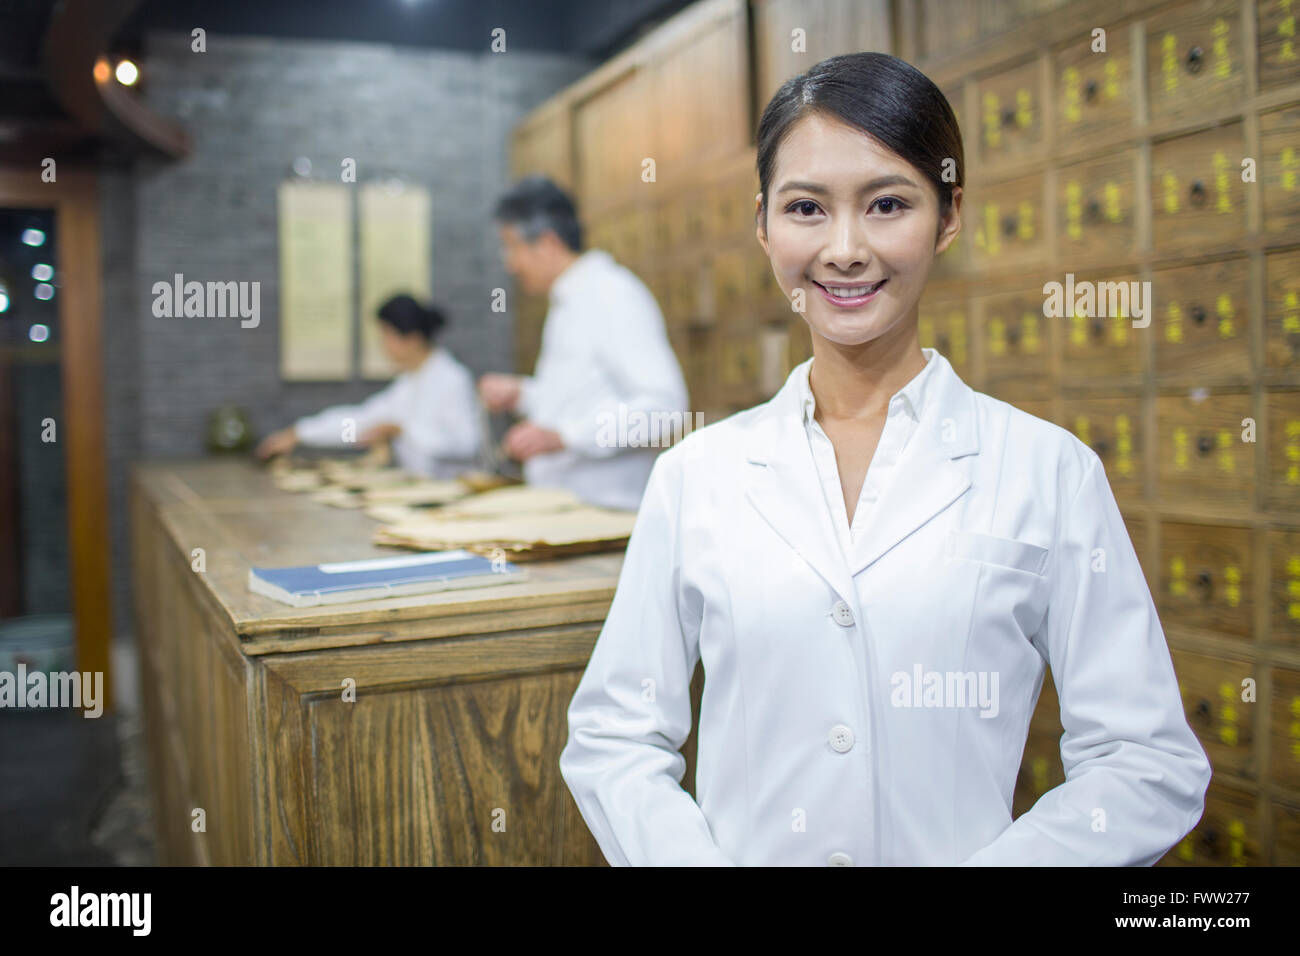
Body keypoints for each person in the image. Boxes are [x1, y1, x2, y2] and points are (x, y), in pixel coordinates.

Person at [559, 53, 1211, 866]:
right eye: (806, 208)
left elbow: (1146, 761)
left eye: (887, 204)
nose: (844, 249)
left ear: (948, 215)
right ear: (762, 224)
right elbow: (616, 737)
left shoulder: (1048, 471)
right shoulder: (697, 476)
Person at [478, 176, 689, 512]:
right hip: (568, 509)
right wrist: (524, 394)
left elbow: (664, 410)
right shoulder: (568, 301)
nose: (509, 263)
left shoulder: (611, 294)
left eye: (512, 246)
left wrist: (565, 437)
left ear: (546, 243)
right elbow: (581, 400)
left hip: (608, 513)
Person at [255, 294, 479, 478]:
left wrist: (403, 430)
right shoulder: (408, 383)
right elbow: (360, 421)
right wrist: (300, 433)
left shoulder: (452, 379)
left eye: (386, 336)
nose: (383, 346)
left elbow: (466, 444)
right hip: (422, 489)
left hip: (452, 494)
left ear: (412, 337)